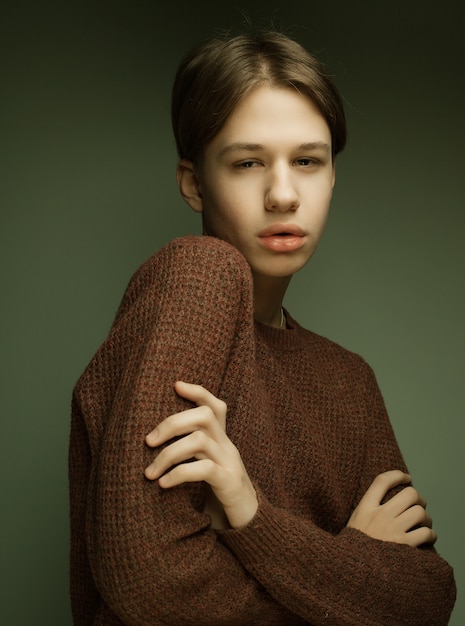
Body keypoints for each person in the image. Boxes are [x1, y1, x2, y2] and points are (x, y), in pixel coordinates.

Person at [69, 30, 456, 625]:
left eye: (307, 161)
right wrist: (350, 571)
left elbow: (427, 599)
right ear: (194, 182)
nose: (283, 194)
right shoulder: (197, 276)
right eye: (248, 163)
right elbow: (151, 585)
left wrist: (251, 519)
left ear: (332, 176)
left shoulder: (349, 379)